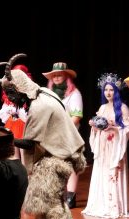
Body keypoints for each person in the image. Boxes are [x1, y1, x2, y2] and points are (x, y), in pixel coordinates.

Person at [0, 53, 86, 219]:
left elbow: (31, 142)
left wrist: (4, 138)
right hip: (60, 155)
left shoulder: (40, 106)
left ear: (21, 88)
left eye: (12, 94)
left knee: (49, 209)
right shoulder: (45, 94)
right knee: (52, 209)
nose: (10, 99)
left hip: (54, 161)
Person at [82, 73, 129, 218]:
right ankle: (101, 203)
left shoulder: (123, 108)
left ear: (116, 91)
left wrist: (114, 127)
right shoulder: (103, 107)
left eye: (111, 90)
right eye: (106, 90)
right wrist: (94, 126)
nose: (108, 93)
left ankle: (114, 205)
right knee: (101, 172)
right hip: (103, 145)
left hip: (115, 146)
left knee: (113, 173)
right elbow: (99, 126)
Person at [43, 62, 83, 209]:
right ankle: (57, 195)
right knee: (55, 165)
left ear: (66, 76)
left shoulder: (74, 93)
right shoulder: (49, 94)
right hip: (53, 135)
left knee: (71, 165)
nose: (56, 78)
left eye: (59, 75)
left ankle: (71, 196)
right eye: (54, 75)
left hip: (69, 135)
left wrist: (63, 130)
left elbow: (76, 116)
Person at [0, 64, 30, 162]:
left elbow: (29, 115)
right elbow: (2, 114)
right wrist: (9, 111)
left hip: (24, 128)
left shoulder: (28, 93)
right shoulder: (9, 94)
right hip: (13, 127)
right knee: (14, 154)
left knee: (25, 155)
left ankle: (26, 174)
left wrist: (18, 112)